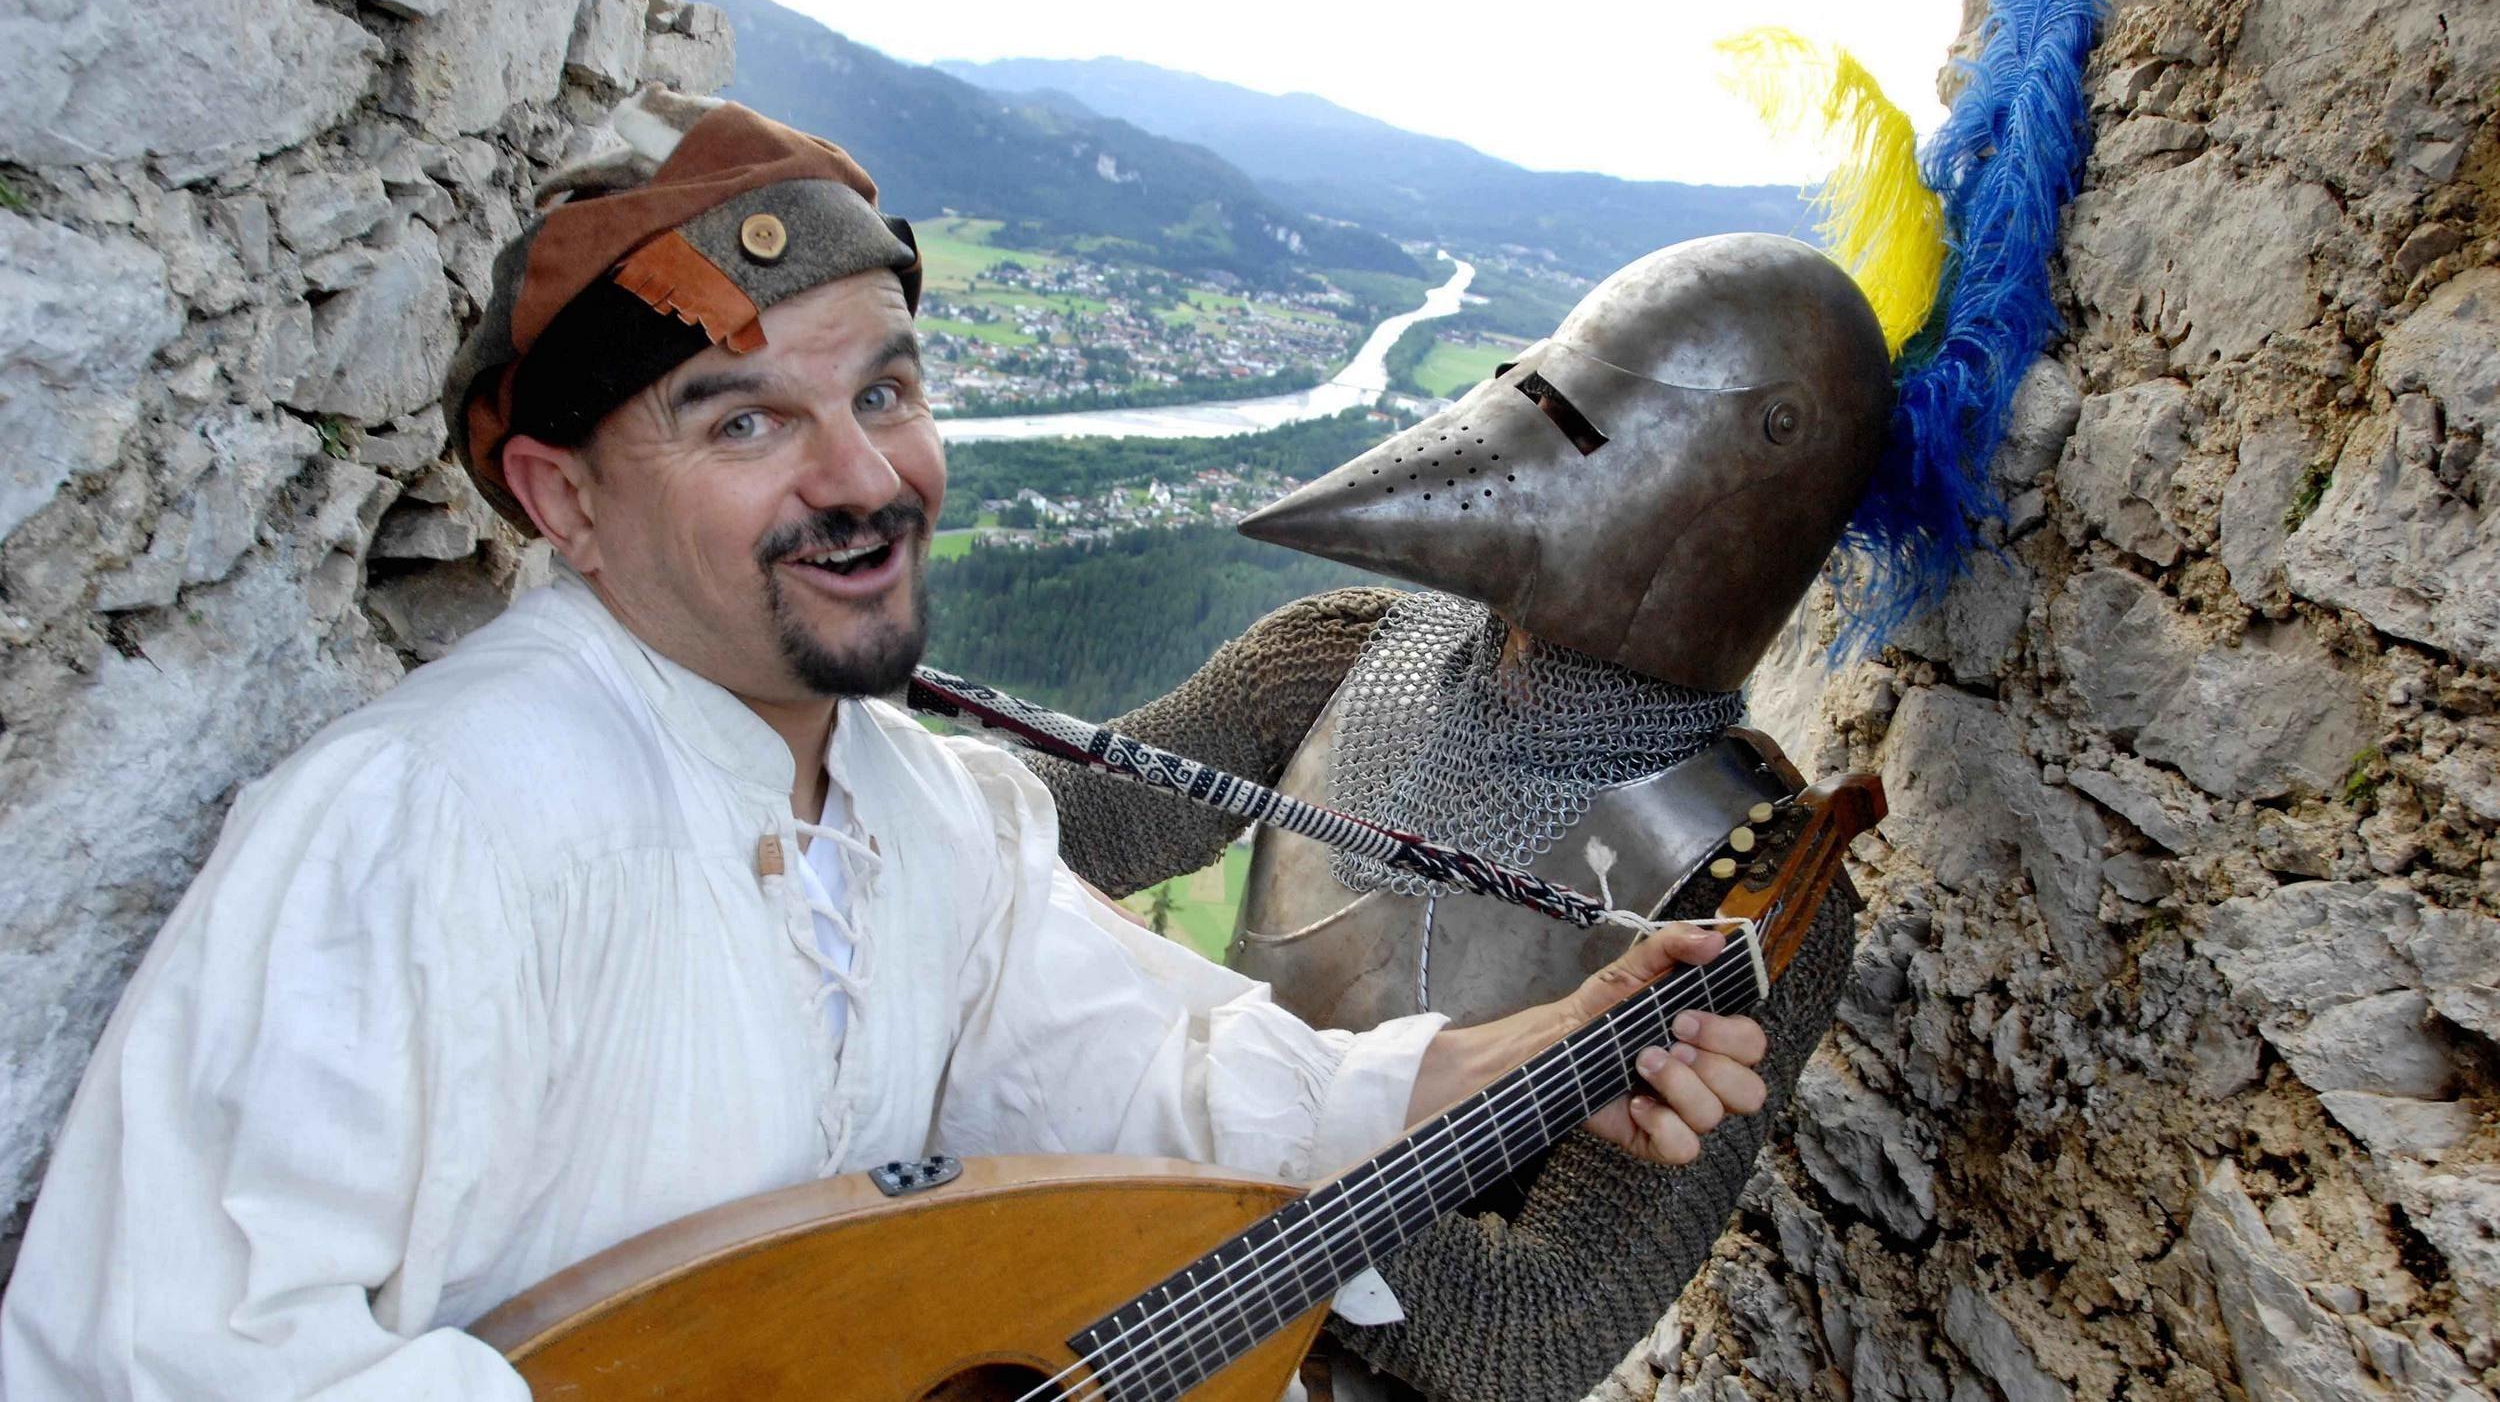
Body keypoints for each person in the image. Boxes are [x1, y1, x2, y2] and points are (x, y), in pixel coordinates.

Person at [0, 89, 1769, 1401]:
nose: (862, 477)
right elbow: (155, 1366)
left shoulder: (914, 803)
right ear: (564, 498)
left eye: (887, 390)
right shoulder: (410, 834)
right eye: (745, 416)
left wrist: (1495, 1068)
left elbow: (1120, 1062)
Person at [1033, 235, 1893, 1401]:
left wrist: (1183, 1135)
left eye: (1579, 421)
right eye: (1539, 391)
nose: (1523, 427)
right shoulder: (1336, 653)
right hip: (1105, 1277)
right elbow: (1057, 827)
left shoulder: (1748, 884)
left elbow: (1528, 1327)